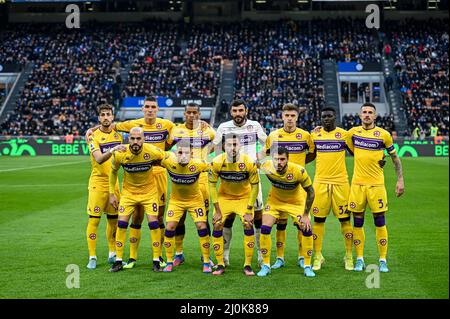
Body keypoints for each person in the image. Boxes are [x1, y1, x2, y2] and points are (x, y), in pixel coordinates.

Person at [346, 103, 404, 273]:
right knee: (357, 223)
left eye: (370, 112)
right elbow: (344, 142)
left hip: (376, 185)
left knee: (380, 222)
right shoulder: (353, 133)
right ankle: (359, 259)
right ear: (359, 114)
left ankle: (383, 259)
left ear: (375, 116)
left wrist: (400, 180)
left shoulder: (384, 135)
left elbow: (394, 158)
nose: (367, 115)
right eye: (364, 112)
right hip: (357, 185)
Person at [212, 99, 267, 267]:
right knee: (226, 218)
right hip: (230, 177)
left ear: (246, 111)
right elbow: (215, 147)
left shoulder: (255, 125)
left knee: (256, 216)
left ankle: (259, 254)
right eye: (235, 111)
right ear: (231, 112)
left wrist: (259, 159)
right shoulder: (223, 127)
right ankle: (225, 256)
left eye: (240, 110)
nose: (238, 114)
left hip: (251, 178)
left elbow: (268, 143)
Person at [259, 103, 314, 269]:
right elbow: (266, 154)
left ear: (297, 117)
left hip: (297, 186)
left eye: (293, 116)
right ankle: (280, 258)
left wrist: (300, 167)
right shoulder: (274, 135)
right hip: (279, 188)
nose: (289, 119)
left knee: (301, 225)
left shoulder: (305, 136)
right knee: (280, 224)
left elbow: (312, 153)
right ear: (282, 117)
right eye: (287, 116)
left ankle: (302, 257)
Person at [108, 127, 166, 272]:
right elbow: (113, 172)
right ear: (128, 139)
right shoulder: (120, 154)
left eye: (138, 138)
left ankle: (156, 260)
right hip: (129, 193)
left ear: (143, 139)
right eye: (132, 138)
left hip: (149, 193)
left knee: (154, 223)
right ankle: (119, 261)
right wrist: (111, 193)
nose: (135, 141)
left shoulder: (152, 151)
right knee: (121, 223)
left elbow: (167, 158)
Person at [166, 102, 216, 266]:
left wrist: (205, 154)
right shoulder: (176, 130)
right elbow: (167, 147)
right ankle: (179, 254)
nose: (192, 115)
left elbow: (216, 143)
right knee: (179, 219)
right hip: (182, 178)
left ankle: (205, 255)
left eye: (195, 112)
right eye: (189, 112)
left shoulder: (207, 130)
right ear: (184, 114)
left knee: (204, 219)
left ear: (199, 114)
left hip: (201, 179)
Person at [257, 147, 316, 277]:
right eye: (276, 159)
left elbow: (311, 192)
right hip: (275, 202)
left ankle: (307, 265)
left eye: (282, 159)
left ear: (288, 159)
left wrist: (306, 215)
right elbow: (254, 162)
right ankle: (266, 264)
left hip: (296, 202)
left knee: (306, 228)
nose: (279, 162)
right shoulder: (267, 166)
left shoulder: (298, 171)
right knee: (265, 227)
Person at [307, 107, 354, 271]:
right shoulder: (315, 135)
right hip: (320, 183)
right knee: (318, 220)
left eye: (329, 116)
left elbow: (357, 153)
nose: (326, 119)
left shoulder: (344, 135)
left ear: (335, 117)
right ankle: (318, 256)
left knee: (345, 220)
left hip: (341, 183)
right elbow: (311, 155)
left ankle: (348, 255)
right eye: (323, 116)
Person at [209, 133, 260, 276]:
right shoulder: (217, 162)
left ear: (240, 146)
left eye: (235, 144)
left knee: (248, 224)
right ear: (224, 146)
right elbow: (212, 186)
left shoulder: (249, 162)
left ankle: (248, 265)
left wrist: (249, 209)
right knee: (217, 223)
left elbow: (255, 186)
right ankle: (220, 264)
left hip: (244, 198)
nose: (233, 147)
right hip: (225, 198)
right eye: (229, 145)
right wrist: (217, 209)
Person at [159, 140, 212, 273]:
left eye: (186, 153)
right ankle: (171, 260)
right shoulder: (169, 162)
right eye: (180, 152)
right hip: (176, 201)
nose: (183, 155)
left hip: (195, 201)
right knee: (170, 226)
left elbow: (215, 167)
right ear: (175, 153)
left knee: (202, 226)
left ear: (192, 154)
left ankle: (206, 261)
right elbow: (154, 156)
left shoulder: (199, 164)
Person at [85, 103, 126, 269]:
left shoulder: (118, 136)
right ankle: (92, 256)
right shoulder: (93, 136)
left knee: (113, 221)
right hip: (97, 184)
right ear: (99, 117)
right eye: (102, 115)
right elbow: (100, 158)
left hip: (114, 185)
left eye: (108, 114)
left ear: (113, 116)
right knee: (94, 220)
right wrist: (114, 148)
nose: (106, 117)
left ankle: (112, 254)